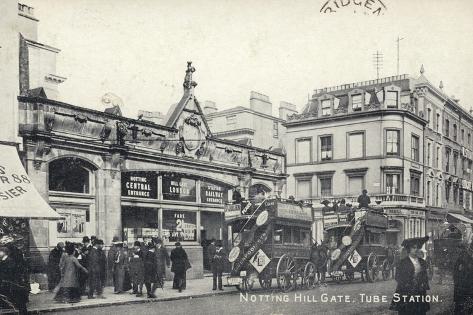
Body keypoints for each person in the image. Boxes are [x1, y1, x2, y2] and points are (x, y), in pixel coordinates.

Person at [390, 236, 430, 315]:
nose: (416, 249)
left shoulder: (422, 262)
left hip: (419, 292)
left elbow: (425, 276)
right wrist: (408, 284)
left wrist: (423, 284)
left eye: (417, 247)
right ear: (409, 249)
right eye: (414, 248)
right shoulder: (403, 263)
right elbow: (397, 277)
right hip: (406, 293)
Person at [0, 245, 28, 315]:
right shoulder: (4, 261)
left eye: (0, 252)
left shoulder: (9, 261)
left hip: (11, 284)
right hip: (8, 284)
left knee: (19, 303)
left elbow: (11, 273)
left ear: (4, 253)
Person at [453, 242, 473, 314]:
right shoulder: (464, 256)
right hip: (463, 284)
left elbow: (466, 271)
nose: (457, 250)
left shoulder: (463, 257)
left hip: (463, 284)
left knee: (461, 302)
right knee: (464, 302)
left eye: (458, 248)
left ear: (461, 249)